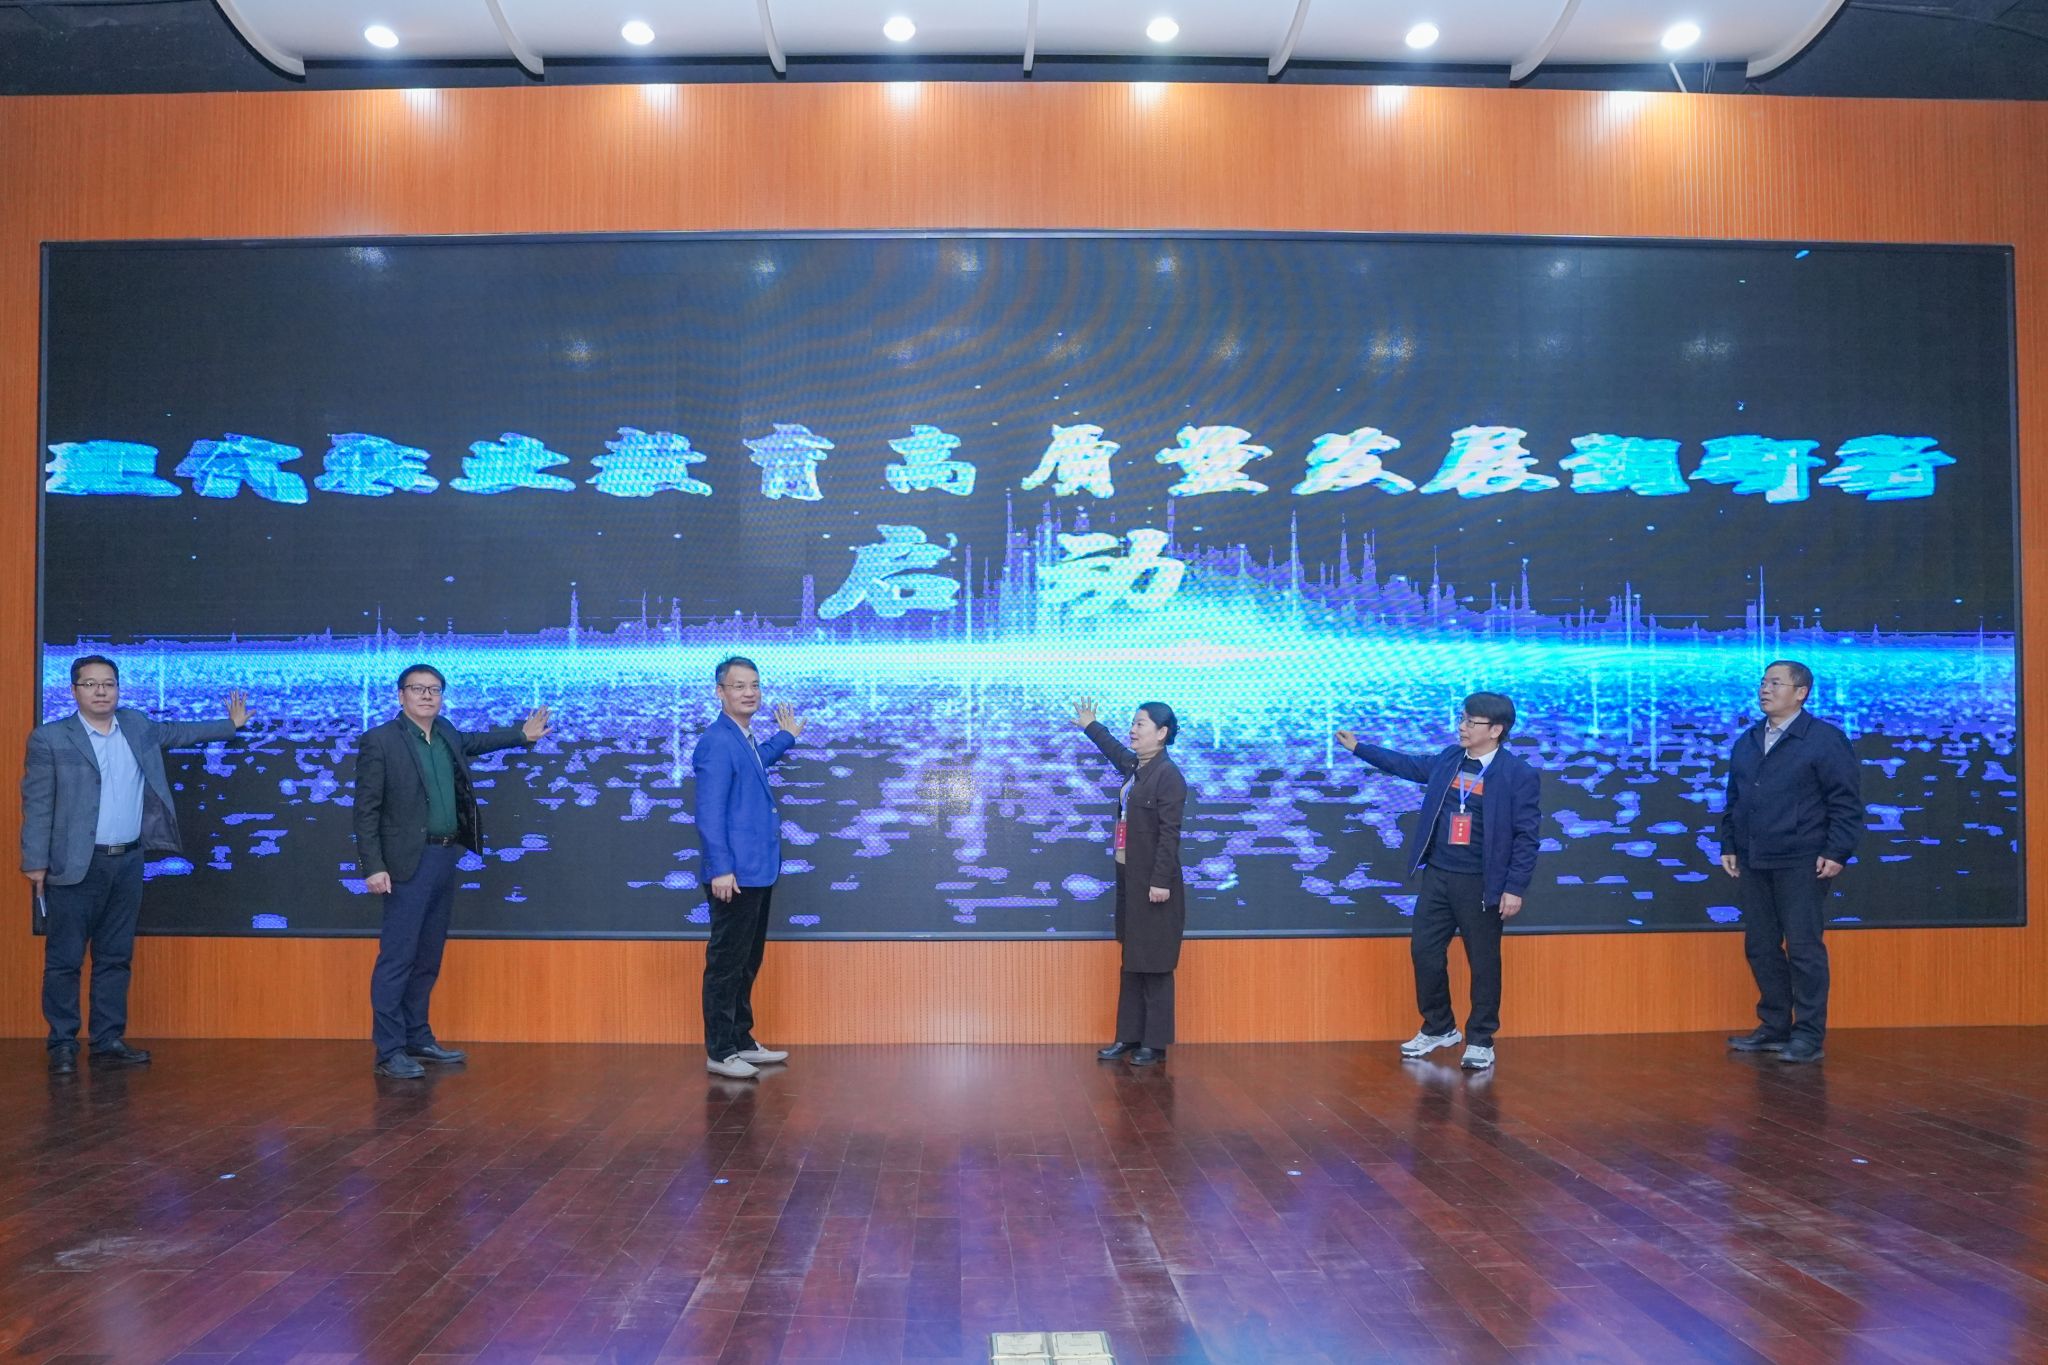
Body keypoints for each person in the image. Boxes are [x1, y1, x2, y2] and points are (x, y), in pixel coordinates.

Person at [21, 654, 250, 1074]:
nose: (101, 691)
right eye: (91, 684)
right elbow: (37, 804)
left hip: (126, 861)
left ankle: (107, 1040)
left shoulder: (136, 725)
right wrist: (35, 863)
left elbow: (178, 733)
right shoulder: (50, 738)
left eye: (108, 684)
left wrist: (230, 725)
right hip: (73, 864)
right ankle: (63, 1044)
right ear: (74, 691)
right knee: (65, 960)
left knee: (115, 956)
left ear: (118, 689)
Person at [351, 664, 549, 1079]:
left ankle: (417, 1038)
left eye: (434, 689)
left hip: (444, 857)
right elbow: (365, 811)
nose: (427, 696)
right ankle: (389, 1051)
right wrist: (373, 866)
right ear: (401, 695)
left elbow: (477, 742)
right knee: (398, 958)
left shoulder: (446, 733)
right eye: (418, 689)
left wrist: (521, 735)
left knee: (427, 956)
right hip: (405, 864)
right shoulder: (380, 741)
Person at [1338, 692, 1541, 1071]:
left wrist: (1514, 887)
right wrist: (1359, 748)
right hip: (1439, 875)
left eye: (1471, 722)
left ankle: (1481, 1039)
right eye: (1462, 719)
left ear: (1496, 730)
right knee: (1425, 952)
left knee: (1484, 963)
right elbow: (1406, 765)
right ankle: (1439, 1027)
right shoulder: (1450, 759)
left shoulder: (1518, 775)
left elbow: (1527, 837)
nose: (1462, 727)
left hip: (1482, 883)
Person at [1719, 660, 1864, 1065]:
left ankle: (1808, 1035)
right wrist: (1729, 842)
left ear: (1801, 693)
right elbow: (1735, 799)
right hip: (1754, 857)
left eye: (1775, 683)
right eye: (1763, 682)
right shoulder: (1749, 739)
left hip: (1802, 859)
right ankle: (1774, 1026)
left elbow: (1846, 803)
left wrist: (1837, 851)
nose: (1765, 689)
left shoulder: (1824, 740)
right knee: (1761, 946)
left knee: (1803, 948)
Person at [692, 656, 805, 1080]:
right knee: (726, 963)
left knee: (746, 960)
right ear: (720, 692)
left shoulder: (741, 737)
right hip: (734, 875)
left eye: (754, 685)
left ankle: (740, 1039)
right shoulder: (716, 740)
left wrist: (787, 737)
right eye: (739, 686)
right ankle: (721, 1051)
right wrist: (721, 868)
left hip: (757, 870)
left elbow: (758, 762)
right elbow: (708, 812)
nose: (749, 692)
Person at [1074, 698, 1188, 1067]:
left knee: (1154, 962)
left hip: (1155, 884)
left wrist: (1161, 881)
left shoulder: (1168, 776)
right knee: (1133, 959)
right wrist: (1091, 725)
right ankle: (1129, 1036)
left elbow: (1170, 834)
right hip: (1129, 877)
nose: (1133, 730)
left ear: (1162, 732)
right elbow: (1114, 750)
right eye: (1133, 723)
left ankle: (1153, 1043)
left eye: (1140, 724)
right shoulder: (1136, 768)